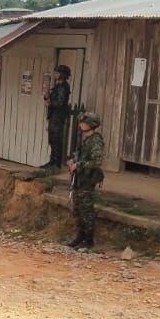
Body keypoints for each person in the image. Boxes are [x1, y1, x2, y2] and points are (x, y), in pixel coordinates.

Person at [67, 111, 105, 251]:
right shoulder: (86, 140)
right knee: (77, 209)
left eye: (84, 122)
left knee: (86, 211)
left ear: (91, 124)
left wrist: (79, 164)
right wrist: (72, 162)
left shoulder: (95, 140)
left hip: (87, 180)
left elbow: (97, 161)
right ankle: (80, 236)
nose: (81, 124)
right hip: (79, 178)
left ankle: (88, 240)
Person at [42, 65, 72, 168]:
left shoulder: (63, 86)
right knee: (52, 139)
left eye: (57, 73)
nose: (55, 74)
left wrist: (50, 103)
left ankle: (55, 162)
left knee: (55, 139)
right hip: (54, 116)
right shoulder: (59, 86)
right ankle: (52, 161)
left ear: (62, 74)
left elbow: (60, 103)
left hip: (58, 116)